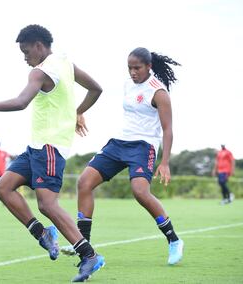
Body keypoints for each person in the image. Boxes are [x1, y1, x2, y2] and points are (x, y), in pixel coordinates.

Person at [0, 24, 105, 282]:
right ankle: (43, 234)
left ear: (39, 46)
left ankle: (89, 255)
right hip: (37, 147)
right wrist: (77, 112)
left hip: (49, 148)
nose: (25, 58)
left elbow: (20, 102)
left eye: (26, 52)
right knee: (3, 187)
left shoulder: (41, 72)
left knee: (47, 204)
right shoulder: (65, 63)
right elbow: (96, 89)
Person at [62, 47, 184, 265]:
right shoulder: (128, 85)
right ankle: (84, 245)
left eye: (137, 68)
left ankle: (173, 240)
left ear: (149, 67)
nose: (133, 72)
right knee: (84, 182)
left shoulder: (159, 92)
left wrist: (165, 162)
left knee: (140, 191)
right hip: (119, 143)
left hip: (143, 146)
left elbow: (168, 130)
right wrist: (79, 112)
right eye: (129, 68)